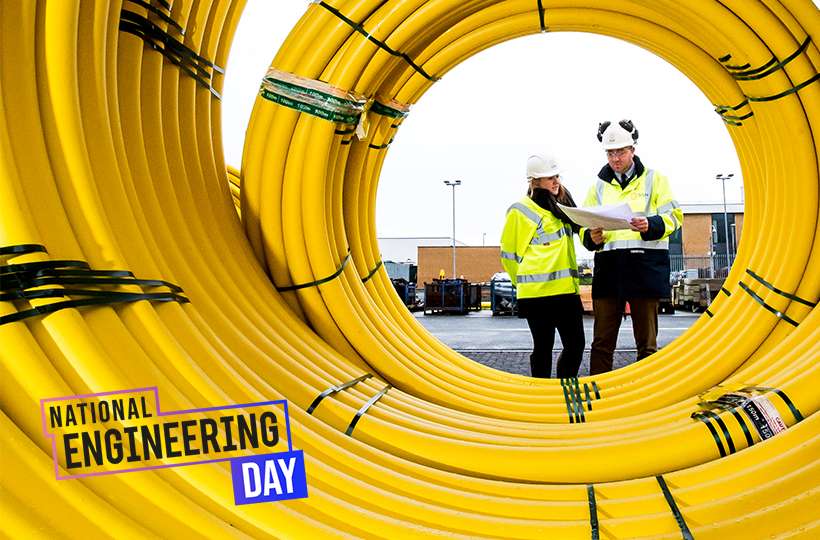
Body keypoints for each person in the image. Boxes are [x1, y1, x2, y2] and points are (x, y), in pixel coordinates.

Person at [581, 119, 683, 375]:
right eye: (610, 152)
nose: (615, 158)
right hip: (609, 271)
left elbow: (675, 217)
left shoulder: (655, 180)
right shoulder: (598, 187)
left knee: (647, 345)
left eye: (620, 152)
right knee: (602, 343)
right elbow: (583, 224)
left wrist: (651, 225)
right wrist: (590, 237)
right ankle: (600, 397)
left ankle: (646, 398)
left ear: (632, 150)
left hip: (643, 269)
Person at [501, 152, 599, 379]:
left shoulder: (563, 206)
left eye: (557, 176)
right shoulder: (520, 210)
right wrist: (523, 284)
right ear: (535, 181)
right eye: (549, 178)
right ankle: (542, 396)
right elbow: (509, 255)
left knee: (576, 346)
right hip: (537, 296)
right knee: (543, 348)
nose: (556, 181)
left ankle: (562, 390)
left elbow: (580, 229)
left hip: (565, 293)